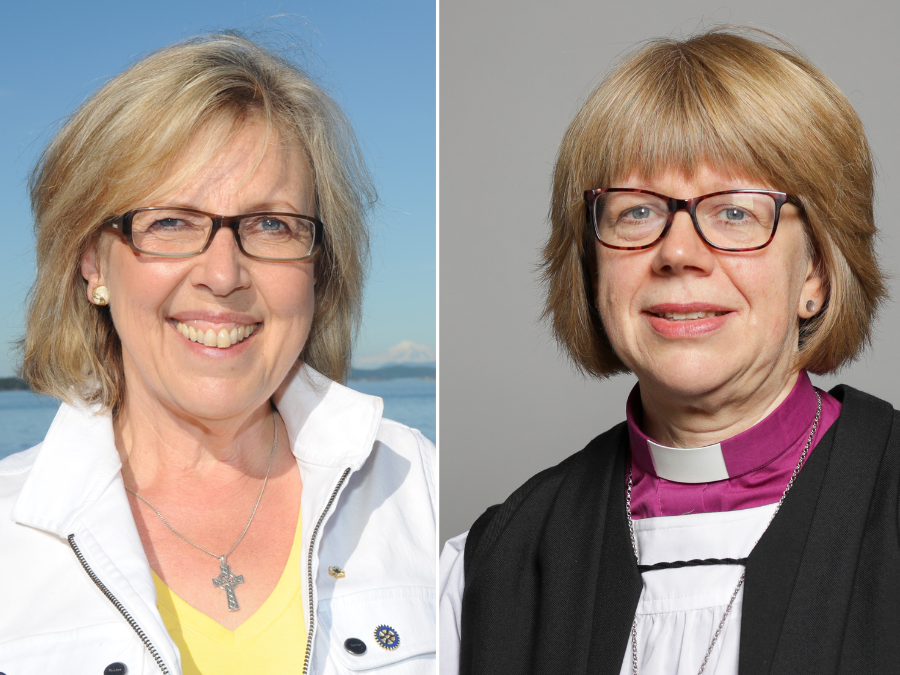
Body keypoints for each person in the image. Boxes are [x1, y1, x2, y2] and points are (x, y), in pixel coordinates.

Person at [440, 27, 898, 675]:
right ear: (594, 262)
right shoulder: (490, 567)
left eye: (736, 212)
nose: (678, 252)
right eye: (636, 212)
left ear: (817, 272)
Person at [0, 34, 435, 674]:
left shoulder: (419, 491)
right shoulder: (12, 538)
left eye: (271, 224)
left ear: (318, 269)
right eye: (171, 221)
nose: (223, 273)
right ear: (92, 261)